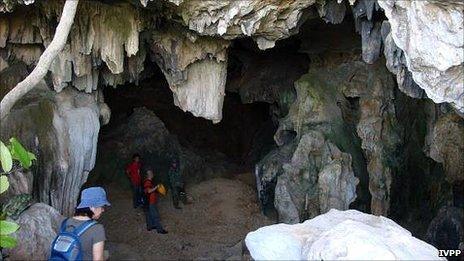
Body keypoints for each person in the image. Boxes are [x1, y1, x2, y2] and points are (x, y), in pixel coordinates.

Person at [50, 187, 110, 261]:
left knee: (105, 254)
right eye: (102, 206)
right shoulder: (97, 229)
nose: (103, 210)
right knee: (106, 254)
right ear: (92, 207)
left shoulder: (63, 223)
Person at [143, 169, 168, 234]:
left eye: (151, 172)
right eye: (151, 173)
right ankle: (160, 230)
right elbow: (149, 191)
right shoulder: (147, 182)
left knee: (149, 214)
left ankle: (150, 226)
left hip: (147, 202)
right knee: (155, 215)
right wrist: (156, 187)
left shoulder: (149, 181)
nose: (152, 173)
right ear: (148, 175)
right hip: (150, 202)